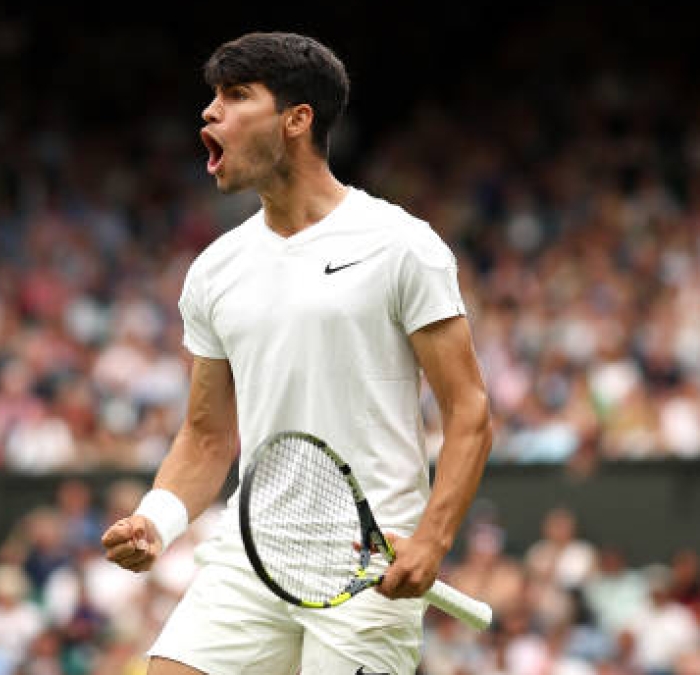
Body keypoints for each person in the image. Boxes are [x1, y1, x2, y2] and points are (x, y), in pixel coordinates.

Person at [100, 32, 493, 674]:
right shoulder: (214, 270)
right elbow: (205, 437)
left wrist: (433, 539)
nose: (210, 112)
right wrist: (156, 520)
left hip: (367, 564)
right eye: (214, 97)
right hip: (249, 556)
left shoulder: (402, 245)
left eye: (237, 95)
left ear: (296, 119)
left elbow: (469, 411)